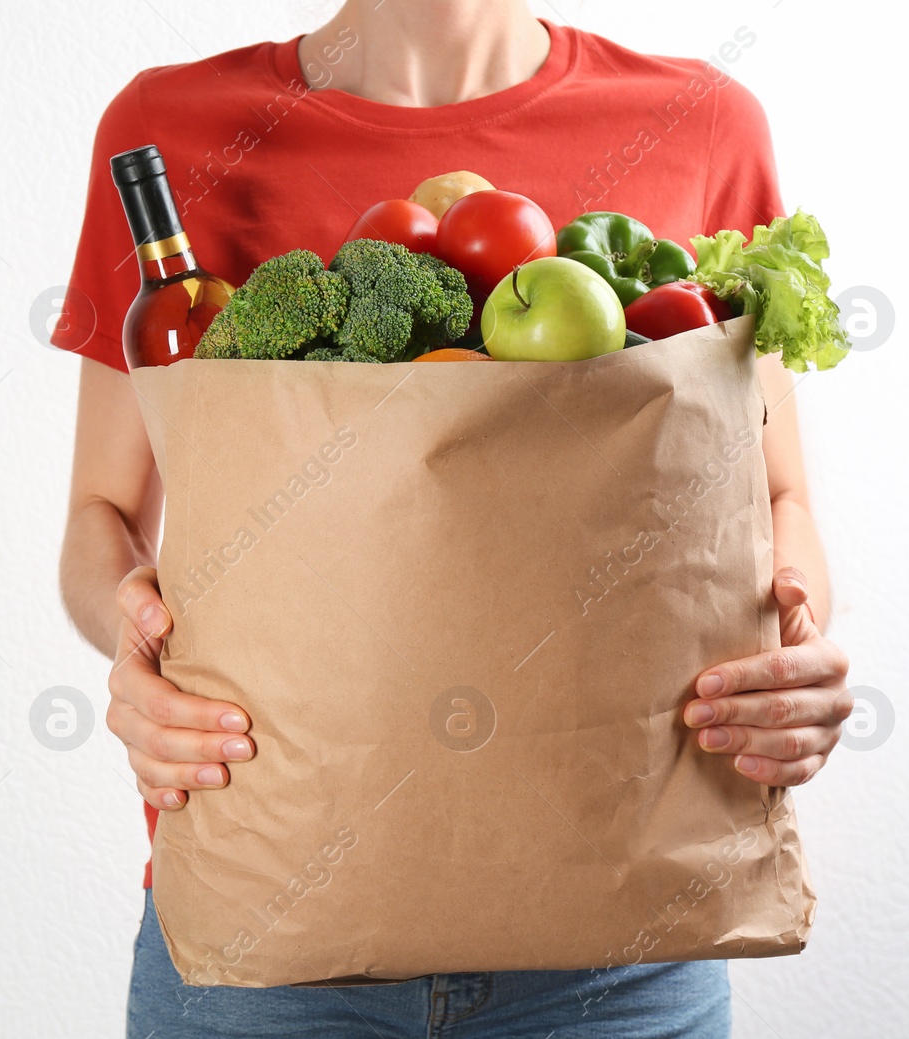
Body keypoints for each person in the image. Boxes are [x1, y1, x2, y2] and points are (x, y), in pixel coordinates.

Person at [54, 1, 853, 1034]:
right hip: (267, 951)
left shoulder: (699, 119)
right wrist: (133, 646)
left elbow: (775, 497)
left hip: (623, 946)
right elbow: (100, 514)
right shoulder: (174, 129)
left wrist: (791, 658)